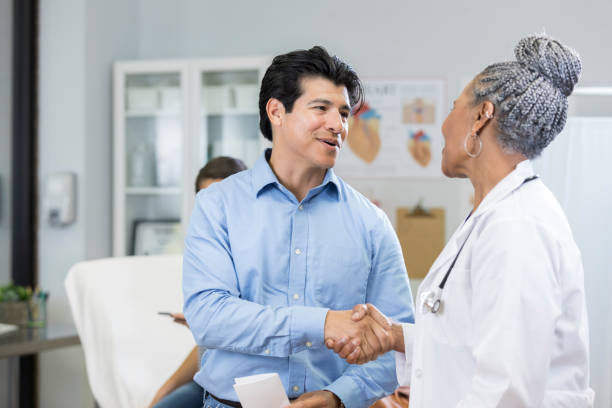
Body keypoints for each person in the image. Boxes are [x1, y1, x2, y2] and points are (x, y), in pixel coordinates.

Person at [330, 35, 595, 407]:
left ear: (481, 116)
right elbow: (471, 343)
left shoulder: (516, 227)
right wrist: (395, 336)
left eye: (454, 107)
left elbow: (506, 391)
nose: (442, 124)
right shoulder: (496, 214)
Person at [183, 46, 414, 408]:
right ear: (276, 111)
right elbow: (209, 317)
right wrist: (321, 324)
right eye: (320, 108)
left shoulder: (371, 223)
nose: (338, 125)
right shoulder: (217, 206)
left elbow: (393, 343)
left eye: (343, 113)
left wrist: (337, 397)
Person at [149, 156, 247, 408]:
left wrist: (215, 328)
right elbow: (207, 351)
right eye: (207, 201)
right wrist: (163, 391)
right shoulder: (207, 260)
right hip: (209, 380)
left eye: (224, 201)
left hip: (246, 386)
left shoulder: (261, 261)